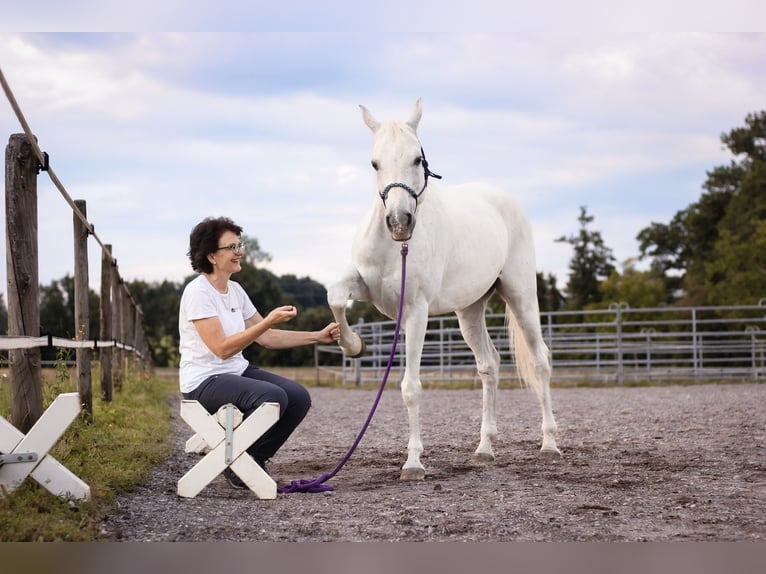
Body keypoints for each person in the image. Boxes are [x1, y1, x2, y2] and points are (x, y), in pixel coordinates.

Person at [178, 216, 340, 489]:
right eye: (231, 247)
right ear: (211, 256)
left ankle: (251, 460)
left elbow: (267, 337)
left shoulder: (236, 291)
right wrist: (267, 321)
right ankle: (239, 463)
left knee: (298, 397)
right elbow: (221, 349)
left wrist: (317, 336)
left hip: (234, 372)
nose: (239, 251)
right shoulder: (198, 292)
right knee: (272, 396)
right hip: (203, 381)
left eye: (239, 245)